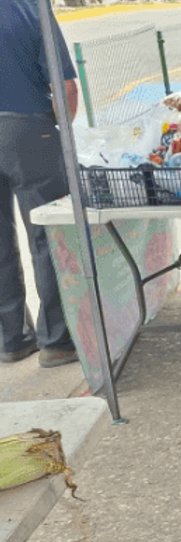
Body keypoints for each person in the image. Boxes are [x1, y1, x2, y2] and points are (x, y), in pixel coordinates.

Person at [0, 0, 79, 368]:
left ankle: (11, 339)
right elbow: (65, 87)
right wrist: (58, 129)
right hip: (26, 127)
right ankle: (56, 339)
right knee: (47, 234)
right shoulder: (32, 7)